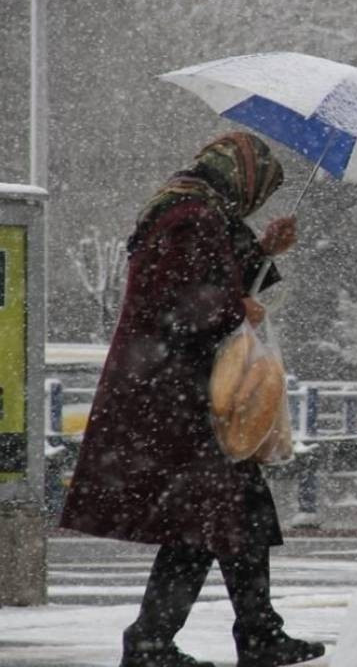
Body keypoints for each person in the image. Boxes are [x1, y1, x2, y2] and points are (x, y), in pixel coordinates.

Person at [60, 132, 325, 667]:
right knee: (216, 518)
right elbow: (181, 302)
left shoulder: (193, 208)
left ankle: (234, 634)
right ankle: (174, 639)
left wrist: (265, 250)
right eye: (259, 191)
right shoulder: (191, 215)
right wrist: (235, 311)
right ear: (242, 176)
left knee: (224, 516)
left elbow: (206, 277)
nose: (255, 203)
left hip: (177, 391)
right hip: (177, 396)